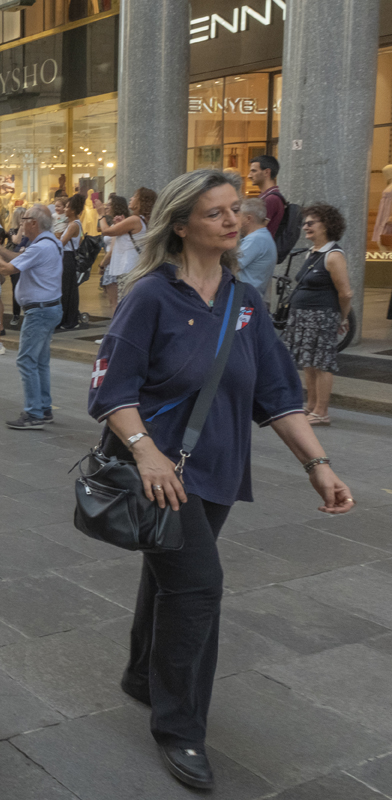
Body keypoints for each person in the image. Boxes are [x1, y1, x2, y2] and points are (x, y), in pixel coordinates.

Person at [89, 169, 354, 791]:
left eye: (236, 209)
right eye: (216, 213)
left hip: (217, 469)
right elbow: (110, 389)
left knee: (173, 574)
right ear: (181, 225)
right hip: (158, 472)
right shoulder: (151, 296)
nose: (233, 221)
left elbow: (279, 395)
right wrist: (147, 454)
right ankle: (179, 728)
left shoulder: (245, 301)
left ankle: (139, 673)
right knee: (199, 585)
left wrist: (319, 467)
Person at [0, 205, 63, 429]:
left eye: (25, 218)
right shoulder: (49, 242)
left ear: (34, 223)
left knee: (27, 360)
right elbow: (19, 259)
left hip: (39, 310)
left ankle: (34, 413)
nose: (21, 221)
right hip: (48, 307)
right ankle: (43, 407)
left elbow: (8, 269)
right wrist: (0, 249)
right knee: (40, 361)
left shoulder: (40, 247)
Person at [280, 204, 354, 427]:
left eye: (311, 223)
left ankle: (322, 412)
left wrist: (342, 318)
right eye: (305, 223)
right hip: (304, 316)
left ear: (327, 225)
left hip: (322, 316)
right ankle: (311, 406)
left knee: (321, 363)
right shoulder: (313, 253)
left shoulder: (333, 255)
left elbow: (346, 292)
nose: (305, 227)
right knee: (309, 363)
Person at [236, 198, 278, 297]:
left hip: (244, 299)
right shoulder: (263, 237)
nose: (236, 221)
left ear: (248, 219)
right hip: (249, 297)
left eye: (239, 216)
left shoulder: (256, 240)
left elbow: (232, 265)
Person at [99, 194, 132, 315]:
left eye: (109, 205)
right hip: (116, 264)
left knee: (115, 303)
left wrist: (102, 264)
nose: (107, 207)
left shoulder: (119, 226)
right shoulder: (120, 223)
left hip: (114, 265)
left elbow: (112, 249)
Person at [57, 193, 86, 330]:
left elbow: (62, 242)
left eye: (67, 207)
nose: (64, 209)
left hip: (67, 258)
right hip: (67, 257)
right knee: (68, 289)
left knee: (67, 290)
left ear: (73, 210)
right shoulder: (72, 223)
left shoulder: (73, 225)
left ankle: (69, 320)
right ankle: (68, 318)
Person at [248, 155, 285, 236]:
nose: (249, 176)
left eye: (254, 171)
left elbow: (256, 231)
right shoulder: (266, 197)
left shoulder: (271, 199)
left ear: (266, 172)